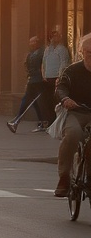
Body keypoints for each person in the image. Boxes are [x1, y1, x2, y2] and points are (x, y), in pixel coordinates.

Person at [53, 33, 91, 196]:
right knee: (73, 134)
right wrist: (65, 99)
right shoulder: (72, 70)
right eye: (89, 52)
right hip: (76, 112)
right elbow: (61, 87)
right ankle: (64, 177)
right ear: (82, 52)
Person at [7, 36, 47, 133]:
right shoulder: (32, 53)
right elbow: (27, 66)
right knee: (35, 101)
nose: (31, 44)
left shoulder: (42, 52)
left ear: (37, 42)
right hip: (32, 79)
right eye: (30, 42)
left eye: (32, 42)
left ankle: (17, 120)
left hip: (39, 79)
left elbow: (44, 65)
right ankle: (42, 122)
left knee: (28, 99)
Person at [43, 28, 71, 113]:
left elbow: (64, 63)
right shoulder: (47, 50)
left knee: (56, 99)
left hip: (57, 78)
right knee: (48, 99)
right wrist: (43, 74)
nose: (54, 38)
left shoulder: (62, 49)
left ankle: (57, 119)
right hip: (48, 77)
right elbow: (44, 62)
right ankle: (49, 120)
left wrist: (60, 76)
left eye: (56, 36)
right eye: (52, 37)